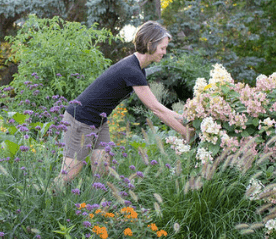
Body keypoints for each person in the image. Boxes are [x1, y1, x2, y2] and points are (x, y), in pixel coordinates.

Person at [57, 20, 192, 184]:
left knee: (102, 169)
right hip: (80, 119)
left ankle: (97, 208)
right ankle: (49, 199)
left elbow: (159, 108)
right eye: (162, 48)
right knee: (69, 173)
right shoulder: (132, 70)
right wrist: (186, 132)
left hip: (99, 120)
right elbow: (156, 109)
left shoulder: (137, 67)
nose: (164, 52)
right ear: (150, 44)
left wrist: (186, 121)